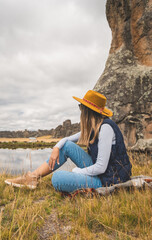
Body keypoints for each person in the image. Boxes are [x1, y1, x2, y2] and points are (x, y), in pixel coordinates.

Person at [5, 90, 132, 192]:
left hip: (110, 178)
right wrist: (56, 148)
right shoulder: (94, 127)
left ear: (87, 111)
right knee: (66, 146)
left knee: (58, 178)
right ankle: (32, 177)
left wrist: (77, 171)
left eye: (81, 107)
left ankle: (34, 178)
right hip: (103, 172)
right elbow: (66, 140)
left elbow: (100, 167)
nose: (80, 110)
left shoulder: (105, 128)